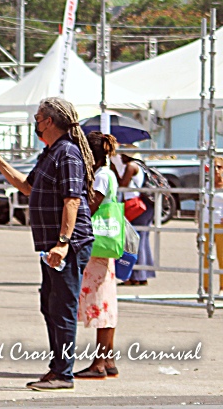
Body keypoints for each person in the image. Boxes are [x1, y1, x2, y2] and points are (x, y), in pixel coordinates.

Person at [0, 97, 95, 391]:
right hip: (49, 243)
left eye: (37, 118)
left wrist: (63, 243)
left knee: (63, 306)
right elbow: (29, 187)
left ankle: (64, 374)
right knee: (50, 304)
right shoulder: (50, 153)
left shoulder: (68, 153)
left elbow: (72, 200)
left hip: (67, 245)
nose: (35, 123)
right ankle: (57, 367)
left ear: (49, 121)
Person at [75, 131, 120, 380]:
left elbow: (89, 208)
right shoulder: (107, 174)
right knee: (105, 301)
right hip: (103, 246)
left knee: (101, 304)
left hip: (97, 245)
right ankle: (108, 359)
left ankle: (99, 362)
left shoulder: (102, 176)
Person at [112, 149, 153, 285]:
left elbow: (122, 184)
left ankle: (134, 275)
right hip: (143, 207)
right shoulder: (140, 166)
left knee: (133, 241)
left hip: (134, 206)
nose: (121, 157)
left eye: (123, 155)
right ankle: (142, 275)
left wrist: (113, 170)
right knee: (142, 240)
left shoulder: (131, 166)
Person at [202, 157, 223, 296]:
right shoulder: (207, 185)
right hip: (206, 223)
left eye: (219, 167)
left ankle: (222, 288)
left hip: (220, 224)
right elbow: (202, 204)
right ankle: (205, 287)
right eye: (213, 167)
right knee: (206, 257)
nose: (216, 171)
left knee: (222, 257)